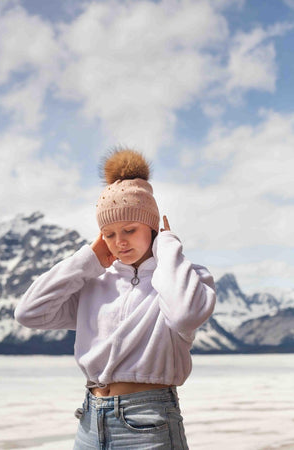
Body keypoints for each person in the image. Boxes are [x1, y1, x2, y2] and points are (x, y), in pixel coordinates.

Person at [14, 148, 216, 449]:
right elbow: (28, 312)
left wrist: (168, 247)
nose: (119, 242)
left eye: (130, 230)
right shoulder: (94, 283)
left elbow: (185, 315)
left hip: (149, 421)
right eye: (108, 234)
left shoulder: (186, 278)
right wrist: (87, 260)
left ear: (151, 227)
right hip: (90, 421)